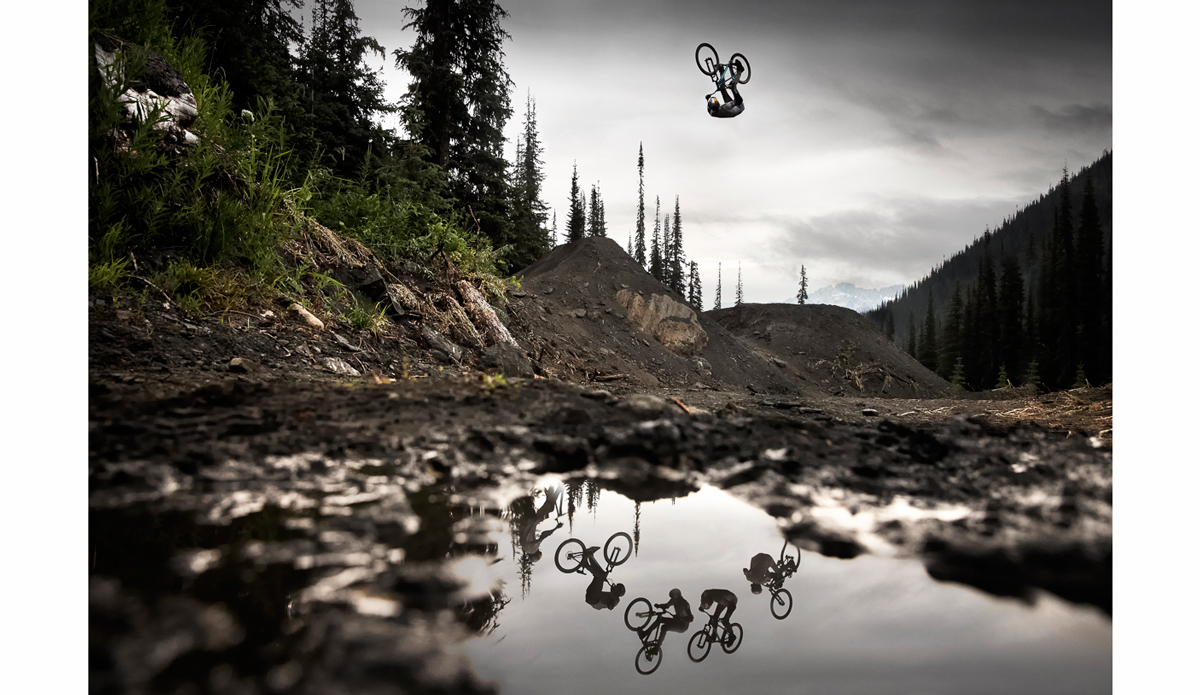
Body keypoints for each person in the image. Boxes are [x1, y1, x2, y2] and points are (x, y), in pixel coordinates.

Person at [581, 545, 626, 610]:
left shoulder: (616, 599)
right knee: (600, 574)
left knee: (601, 575)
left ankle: (587, 561)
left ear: (617, 591)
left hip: (594, 599)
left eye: (616, 587)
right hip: (592, 595)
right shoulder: (611, 595)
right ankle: (589, 557)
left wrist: (611, 604)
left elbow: (611, 606)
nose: (614, 586)